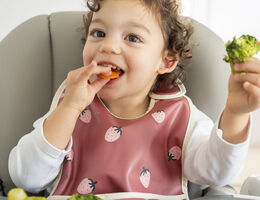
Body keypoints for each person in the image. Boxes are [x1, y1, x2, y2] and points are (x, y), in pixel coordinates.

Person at [8, 0, 260, 199]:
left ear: (165, 61)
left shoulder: (180, 116)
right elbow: (26, 177)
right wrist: (69, 108)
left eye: (132, 38)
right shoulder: (70, 104)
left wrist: (235, 113)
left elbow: (215, 173)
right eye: (98, 32)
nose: (108, 46)